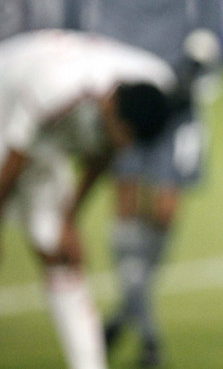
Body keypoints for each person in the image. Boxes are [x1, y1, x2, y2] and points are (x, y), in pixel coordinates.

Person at [47, 0, 223, 367]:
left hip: (177, 83)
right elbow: (70, 1)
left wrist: (203, 44)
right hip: (118, 89)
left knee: (168, 206)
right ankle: (147, 335)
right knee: (127, 198)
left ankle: (128, 312)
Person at [0, 30, 176, 369]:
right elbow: (14, 157)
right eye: (122, 135)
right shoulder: (57, 88)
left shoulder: (150, 86)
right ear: (109, 106)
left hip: (43, 138)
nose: (124, 146)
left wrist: (69, 219)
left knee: (60, 251)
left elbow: (105, 149)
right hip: (6, 110)